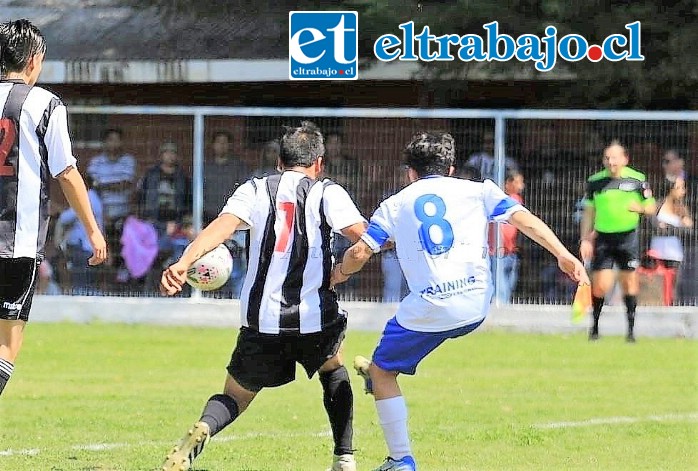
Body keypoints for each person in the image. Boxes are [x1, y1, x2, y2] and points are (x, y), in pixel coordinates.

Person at [332, 131, 589, 471]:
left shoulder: (394, 204)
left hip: (430, 307)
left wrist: (337, 275)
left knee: (383, 372)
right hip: (476, 302)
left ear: (410, 172)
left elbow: (361, 251)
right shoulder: (479, 189)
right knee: (387, 361)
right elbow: (522, 218)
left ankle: (400, 459)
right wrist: (563, 254)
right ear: (451, 168)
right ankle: (384, 369)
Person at [159, 121, 367, 471]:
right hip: (314, 314)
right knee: (334, 370)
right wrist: (344, 269)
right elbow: (362, 238)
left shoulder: (254, 190)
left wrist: (184, 262)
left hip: (262, 318)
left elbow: (219, 229)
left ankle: (204, 427)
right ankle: (344, 456)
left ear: (279, 163)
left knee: (235, 396)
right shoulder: (327, 192)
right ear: (319, 163)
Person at [0, 19, 107, 397]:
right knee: (8, 343)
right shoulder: (44, 103)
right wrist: (93, 229)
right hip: (18, 243)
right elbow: (65, 170)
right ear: (33, 60)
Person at [580, 140, 656, 342]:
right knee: (600, 285)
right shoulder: (595, 182)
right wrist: (585, 239)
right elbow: (588, 212)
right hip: (604, 239)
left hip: (627, 238)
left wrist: (639, 208)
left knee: (629, 284)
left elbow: (651, 207)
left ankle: (630, 331)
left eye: (614, 157)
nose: (610, 161)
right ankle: (594, 328)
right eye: (607, 158)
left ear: (624, 159)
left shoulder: (637, 180)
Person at [488, 169, 525, 304]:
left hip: (511, 249)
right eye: (518, 182)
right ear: (508, 183)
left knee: (510, 282)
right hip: (497, 249)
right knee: (500, 283)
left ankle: (505, 307)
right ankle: (501, 308)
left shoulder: (516, 199)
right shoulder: (499, 200)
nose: (521, 186)